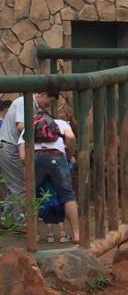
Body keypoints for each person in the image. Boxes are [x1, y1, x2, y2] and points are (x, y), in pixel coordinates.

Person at [18, 113, 79, 244]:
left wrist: (31, 167)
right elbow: (70, 137)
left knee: (32, 196)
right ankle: (76, 234)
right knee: (68, 194)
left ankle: (33, 235)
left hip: (36, 158)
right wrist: (69, 155)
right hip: (56, 157)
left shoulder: (29, 126)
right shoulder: (61, 123)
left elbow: (23, 157)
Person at [0, 92, 58, 227]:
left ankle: (7, 219)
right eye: (48, 102)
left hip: (10, 147)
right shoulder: (24, 102)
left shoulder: (32, 105)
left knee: (13, 185)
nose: (47, 106)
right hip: (10, 147)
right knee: (21, 184)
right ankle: (20, 222)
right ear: (43, 94)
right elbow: (20, 125)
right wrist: (41, 130)